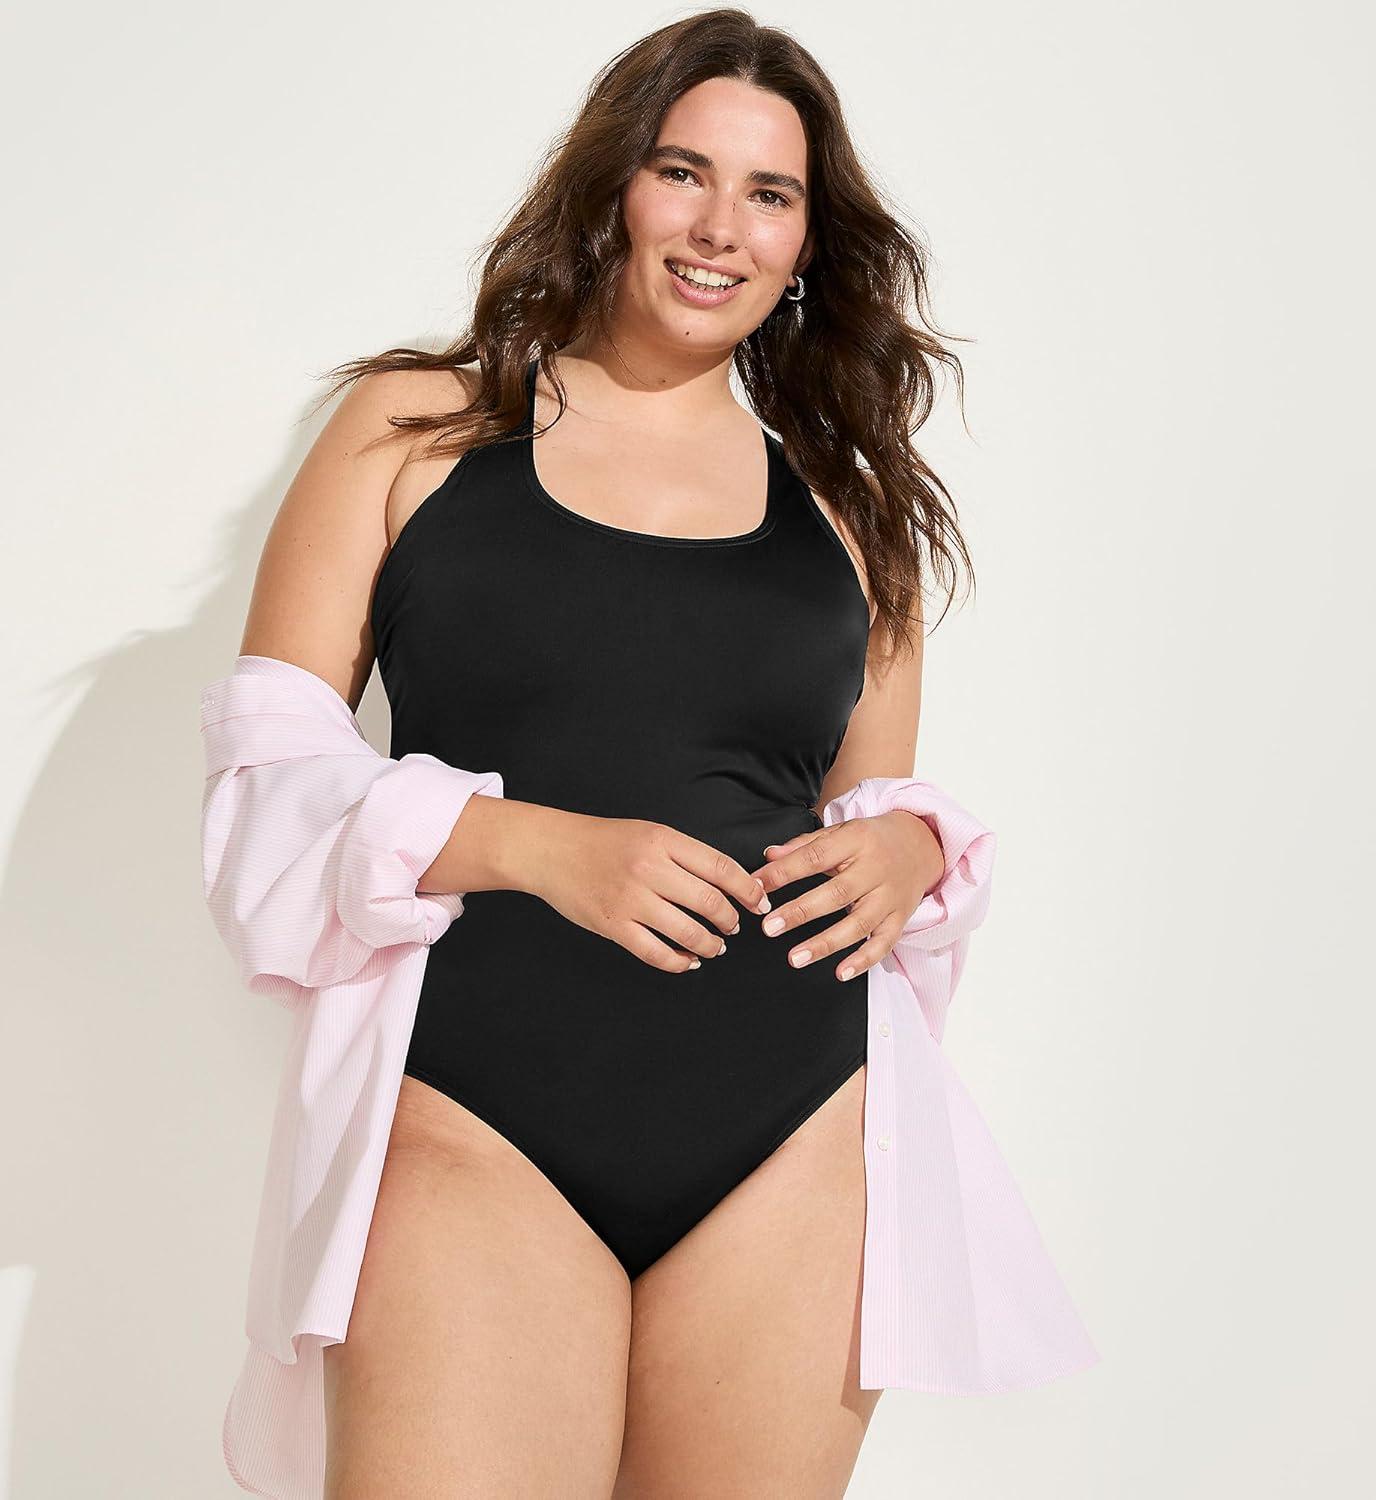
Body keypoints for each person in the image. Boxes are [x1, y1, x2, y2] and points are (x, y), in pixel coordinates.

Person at [216, 10, 1097, 1496]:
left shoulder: (853, 509)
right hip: (475, 1111)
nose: (720, 227)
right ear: (614, 184)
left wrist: (909, 849)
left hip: (795, 1126)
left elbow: (868, 804)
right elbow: (263, 786)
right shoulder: (416, 429)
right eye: (684, 172)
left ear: (807, 241)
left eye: (770, 193)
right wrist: (533, 844)